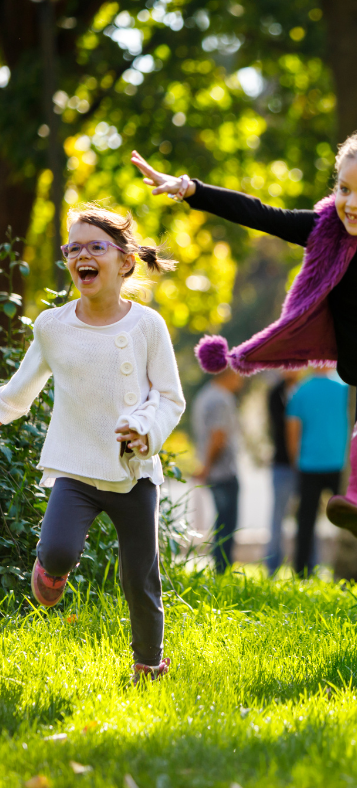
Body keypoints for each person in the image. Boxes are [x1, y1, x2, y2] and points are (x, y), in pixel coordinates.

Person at [130, 127, 357, 553]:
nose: (352, 203)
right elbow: (260, 213)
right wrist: (189, 189)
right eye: (345, 189)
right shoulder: (328, 231)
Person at [0, 205, 184, 683]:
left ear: (124, 261)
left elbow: (169, 397)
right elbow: (18, 396)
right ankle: (51, 569)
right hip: (76, 470)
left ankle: (148, 663)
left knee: (139, 577)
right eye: (73, 248)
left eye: (95, 246)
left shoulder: (147, 326)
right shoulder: (53, 326)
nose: (82, 255)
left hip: (133, 474)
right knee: (58, 549)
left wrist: (145, 430)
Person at [285, 369, 350, 575]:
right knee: (349, 518)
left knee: (305, 521)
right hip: (340, 464)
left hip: (309, 465)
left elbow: (292, 430)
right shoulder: (346, 389)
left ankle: (302, 572)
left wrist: (295, 460)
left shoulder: (300, 391)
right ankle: (346, 567)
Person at [192, 367, 244, 573]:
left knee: (221, 522)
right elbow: (218, 436)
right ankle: (222, 570)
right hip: (223, 472)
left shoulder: (205, 395)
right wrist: (207, 466)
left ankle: (220, 569)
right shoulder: (221, 399)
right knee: (226, 525)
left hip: (214, 470)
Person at [265, 369, 302, 575]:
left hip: (305, 464)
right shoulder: (274, 393)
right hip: (282, 464)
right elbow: (280, 426)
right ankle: (272, 566)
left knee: (305, 516)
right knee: (278, 516)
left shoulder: (304, 390)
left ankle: (306, 565)